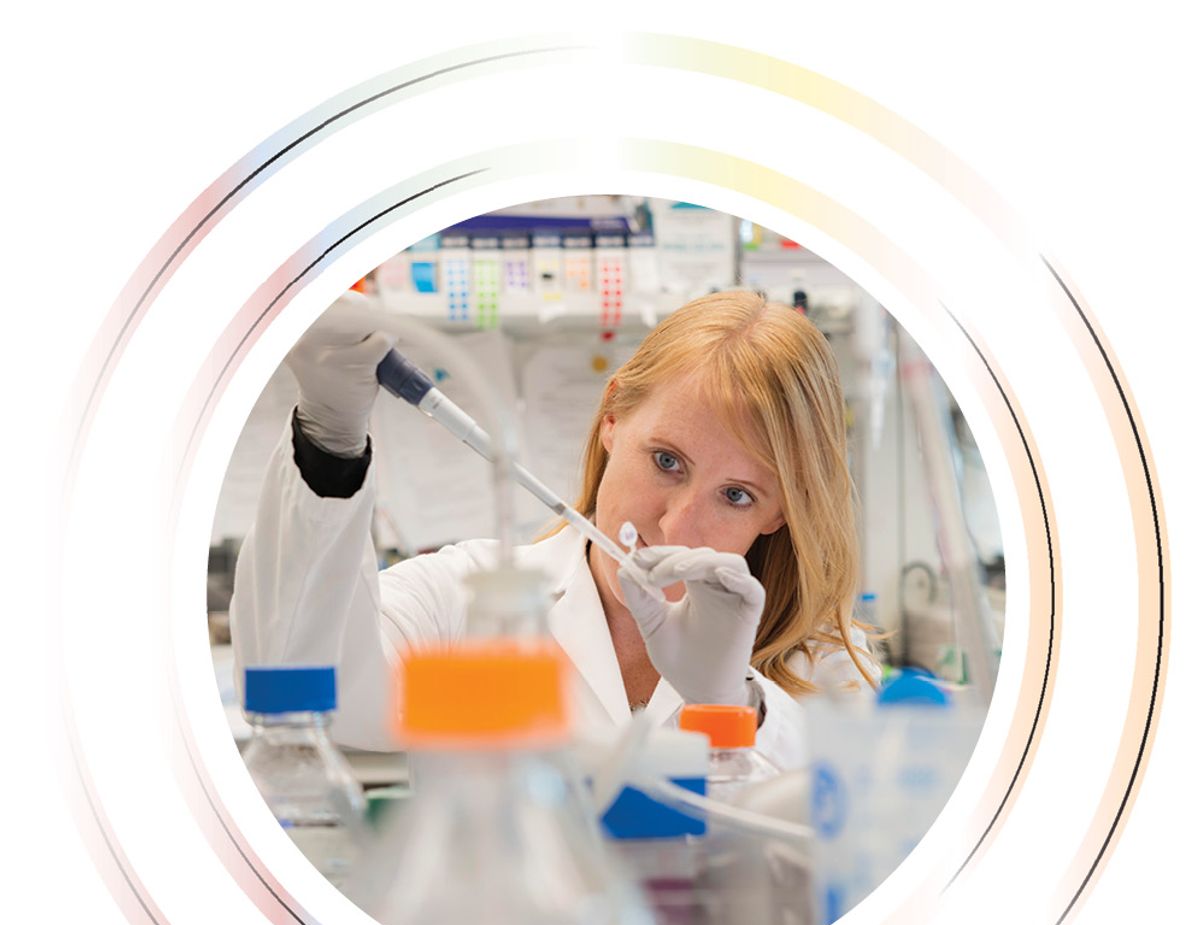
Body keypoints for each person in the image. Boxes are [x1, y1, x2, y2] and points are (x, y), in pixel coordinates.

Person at [230, 289, 879, 771]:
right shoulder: (467, 602)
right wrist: (329, 440)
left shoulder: (827, 667)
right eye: (666, 461)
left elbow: (835, 865)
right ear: (612, 420)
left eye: (737, 494)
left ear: (778, 514)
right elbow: (313, 695)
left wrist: (733, 706)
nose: (677, 524)